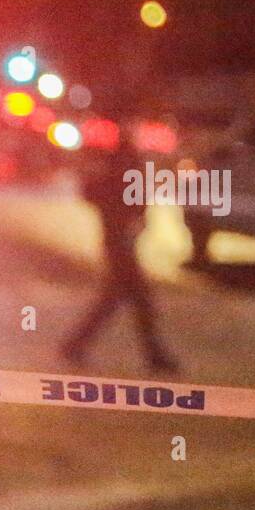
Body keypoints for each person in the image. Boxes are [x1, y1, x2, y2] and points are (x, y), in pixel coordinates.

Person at [60, 137, 179, 373]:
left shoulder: (115, 166)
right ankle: (154, 355)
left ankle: (76, 344)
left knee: (117, 298)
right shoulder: (123, 167)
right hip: (120, 239)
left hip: (117, 238)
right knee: (137, 299)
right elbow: (127, 200)